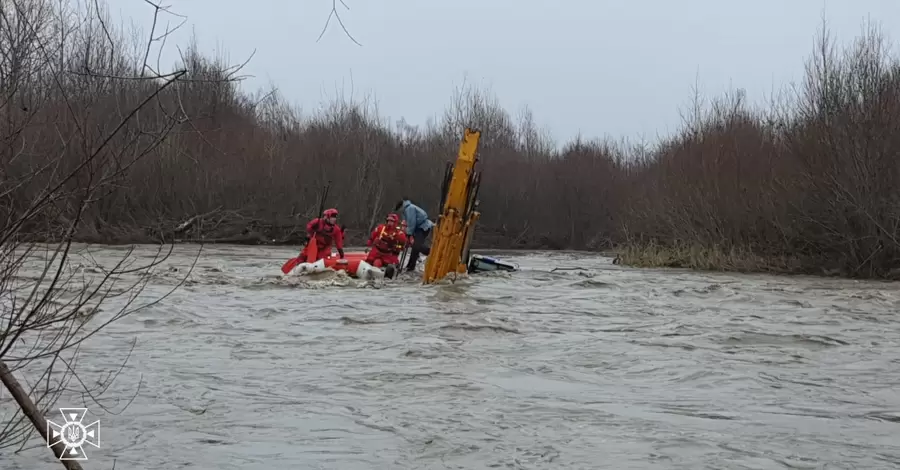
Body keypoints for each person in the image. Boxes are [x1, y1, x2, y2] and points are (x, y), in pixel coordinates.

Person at [395, 197, 434, 272]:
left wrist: (408, 233)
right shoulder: (407, 209)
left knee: (417, 246)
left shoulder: (409, 209)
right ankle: (410, 266)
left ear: (401, 207)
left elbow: (411, 223)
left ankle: (431, 252)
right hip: (419, 228)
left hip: (423, 227)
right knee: (414, 247)